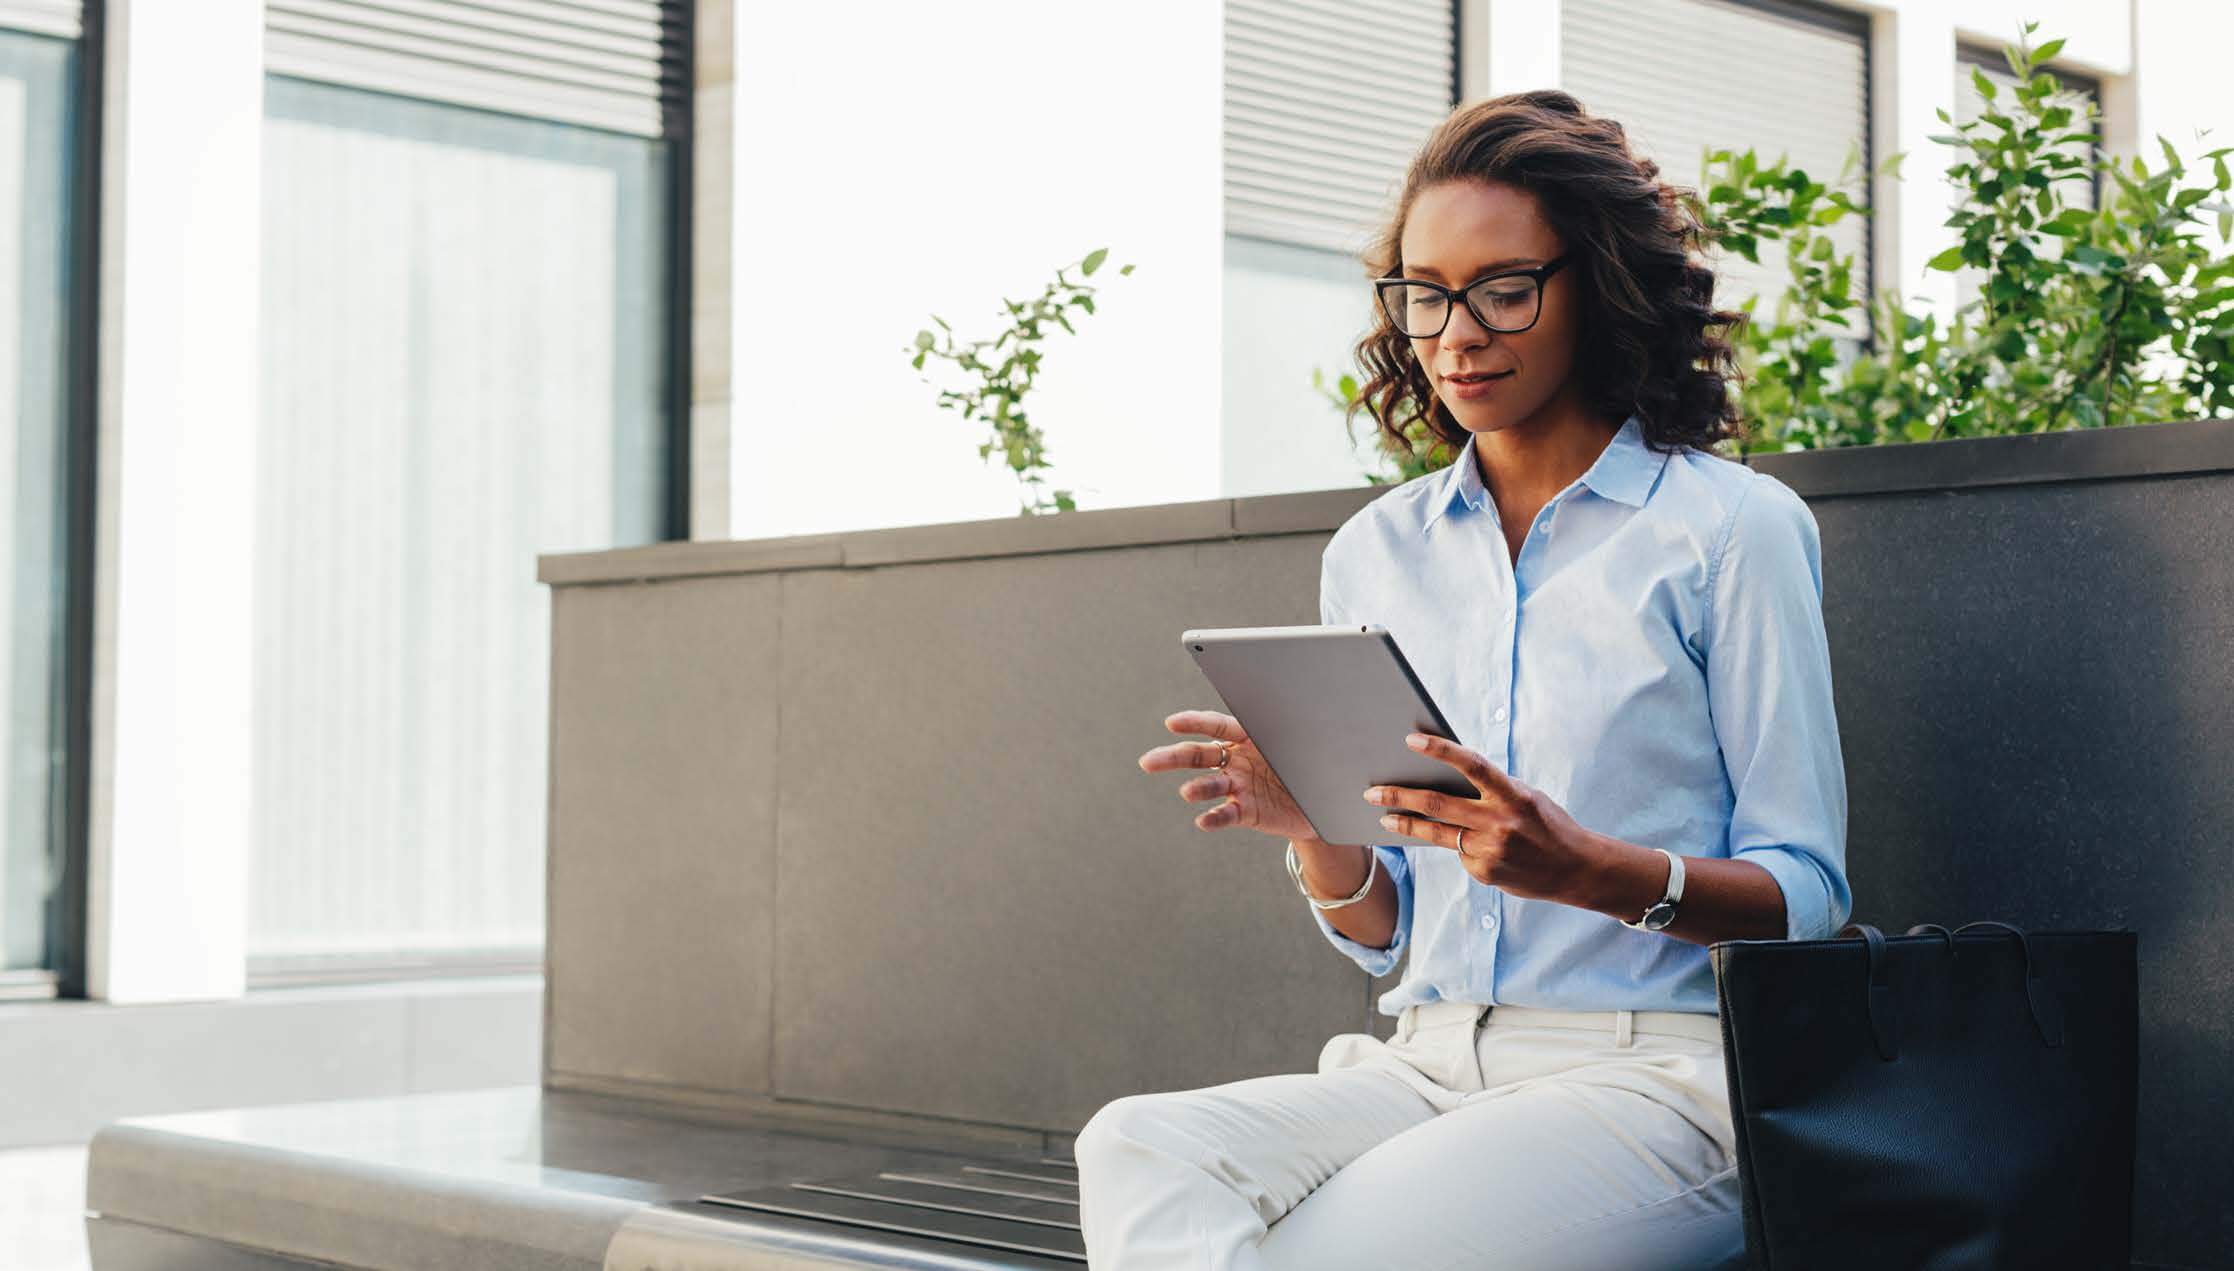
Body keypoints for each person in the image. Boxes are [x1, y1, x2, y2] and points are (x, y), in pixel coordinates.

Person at [1075, 90, 1851, 1270]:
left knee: (1327, 1250)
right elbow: (1387, 930)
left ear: (1593, 287)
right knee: (1138, 1147)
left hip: (1656, 1078)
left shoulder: (1727, 530)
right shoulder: (1375, 552)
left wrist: (1590, 870)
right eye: (1422, 292)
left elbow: (1807, 890)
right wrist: (1314, 830)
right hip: (1421, 1060)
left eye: (1502, 288)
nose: (1455, 332)